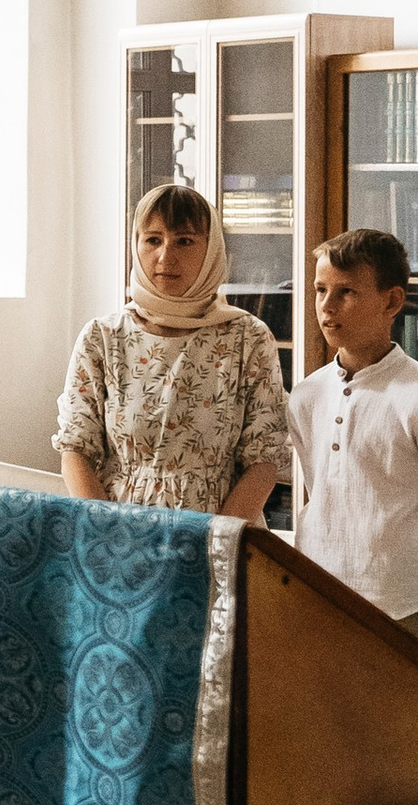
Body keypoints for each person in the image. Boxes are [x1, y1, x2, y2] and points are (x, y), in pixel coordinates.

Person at [56, 180, 289, 520]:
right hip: (117, 535)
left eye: (184, 241)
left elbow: (264, 459)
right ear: (136, 246)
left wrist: (210, 540)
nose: (166, 256)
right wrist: (111, 533)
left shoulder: (247, 338)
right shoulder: (102, 338)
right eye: (153, 240)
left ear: (211, 251)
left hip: (218, 531)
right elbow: (76, 449)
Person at [290, 228, 418, 626]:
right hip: (316, 591)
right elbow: (322, 494)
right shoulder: (306, 394)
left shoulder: (413, 395)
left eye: (346, 292)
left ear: (392, 300)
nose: (327, 306)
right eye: (320, 290)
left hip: (399, 604)